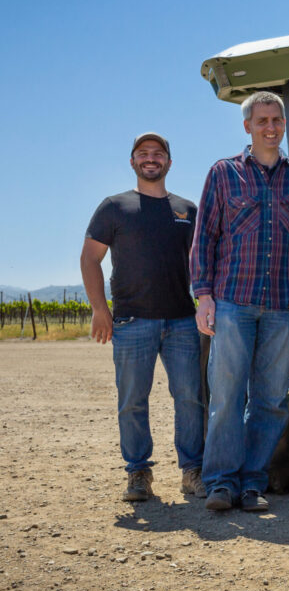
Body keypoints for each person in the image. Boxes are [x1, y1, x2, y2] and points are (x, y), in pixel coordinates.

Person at [191, 91, 289, 513]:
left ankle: (251, 483)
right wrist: (203, 295)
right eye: (262, 120)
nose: (270, 128)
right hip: (233, 302)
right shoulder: (224, 174)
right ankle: (220, 483)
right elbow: (204, 239)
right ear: (247, 126)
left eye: (277, 121)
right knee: (228, 396)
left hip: (283, 307)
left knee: (270, 398)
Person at [81, 132, 205, 502]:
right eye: (143, 153)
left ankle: (192, 471)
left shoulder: (187, 210)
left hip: (183, 320)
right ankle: (138, 474)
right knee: (133, 400)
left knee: (190, 398)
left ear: (169, 162)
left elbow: (202, 264)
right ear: (133, 162)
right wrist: (100, 309)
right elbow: (90, 259)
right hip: (132, 322)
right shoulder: (114, 207)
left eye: (158, 153)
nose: (151, 158)